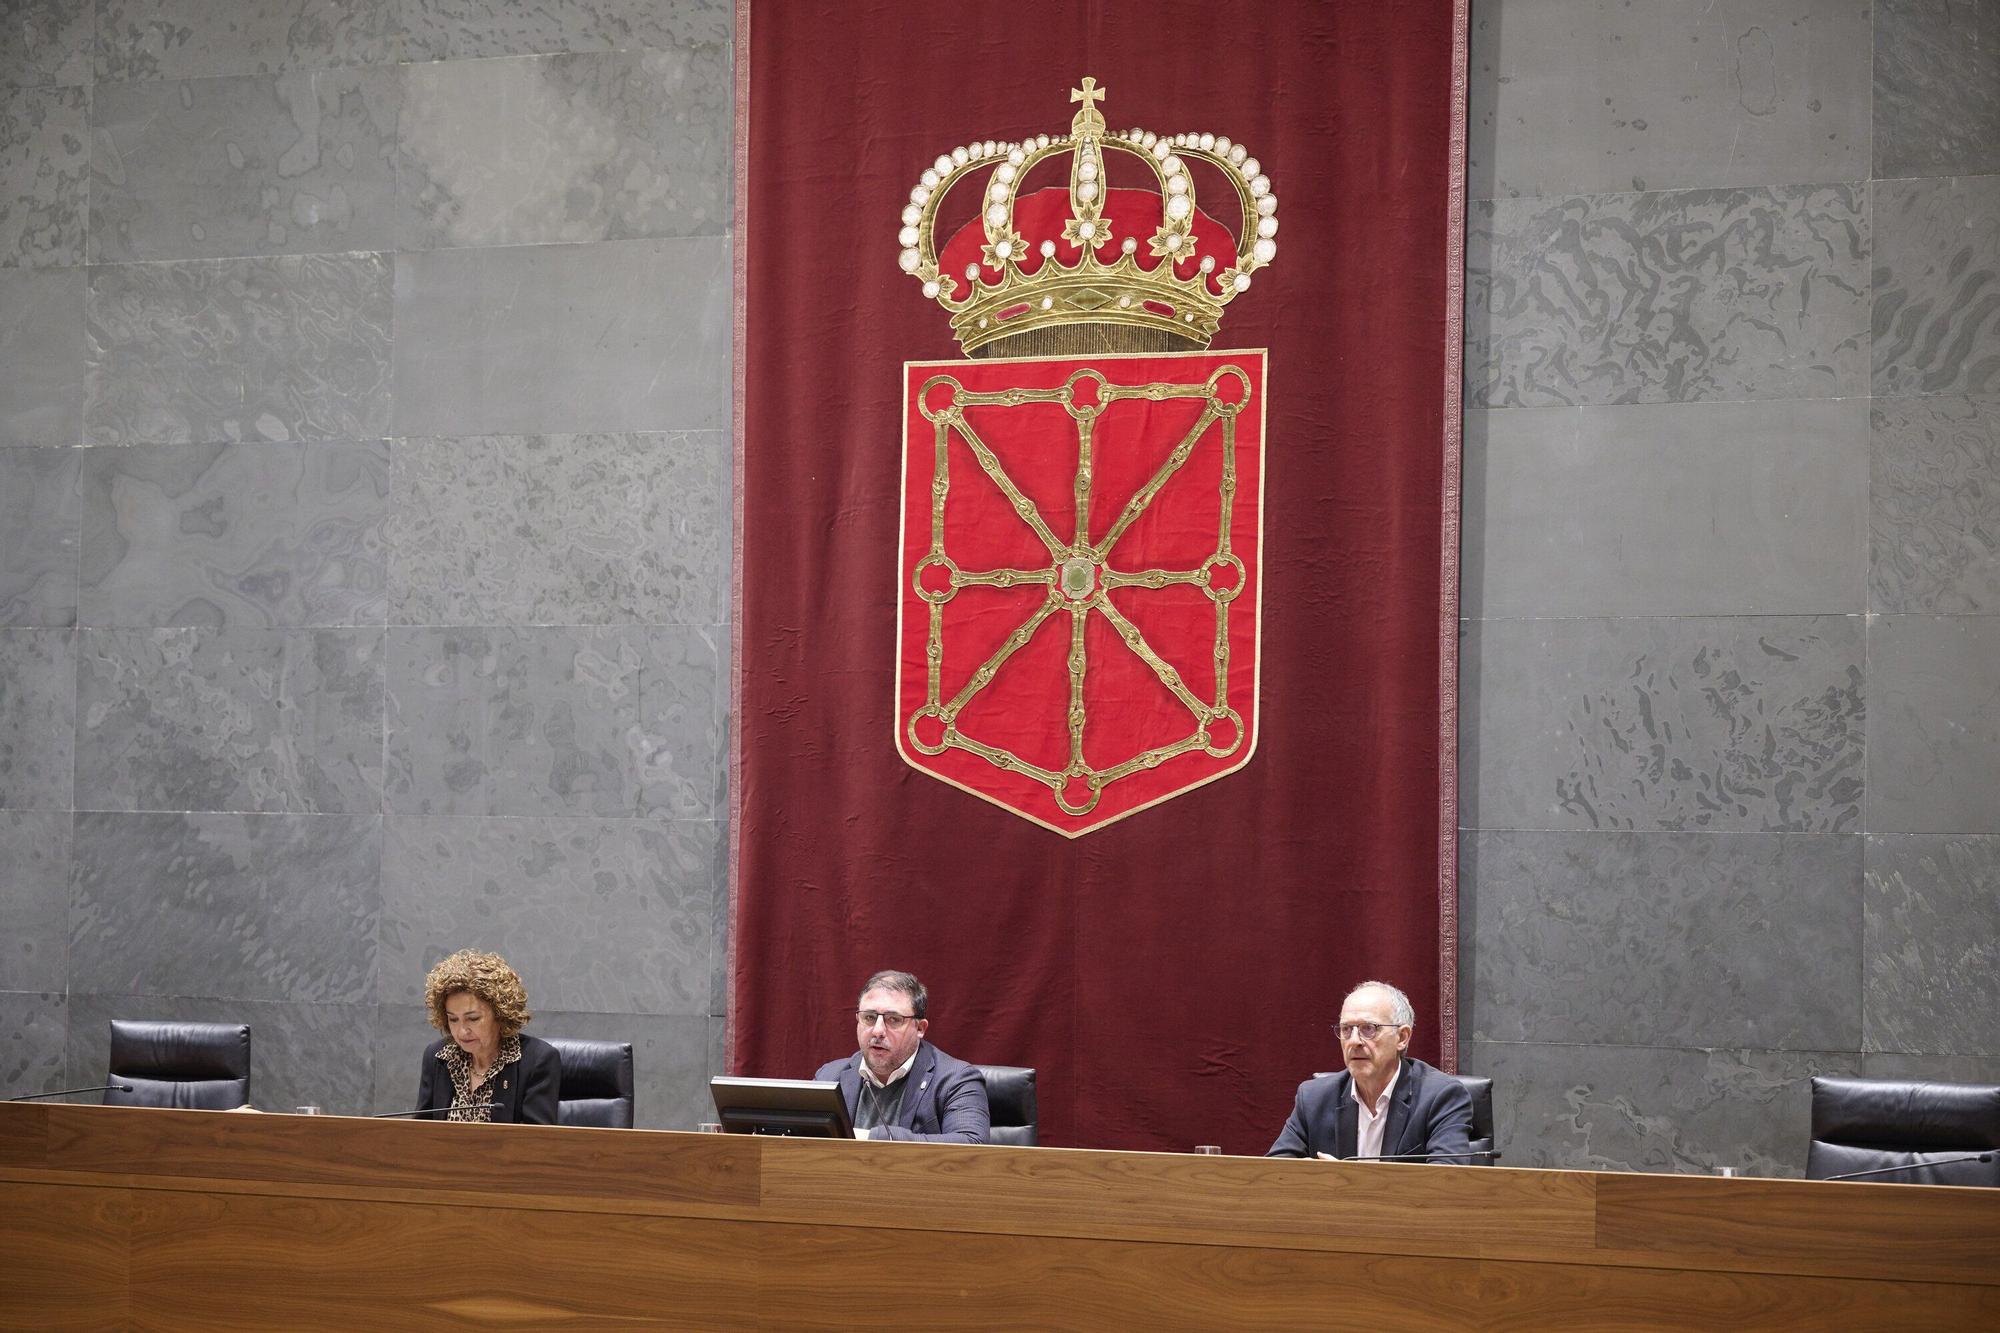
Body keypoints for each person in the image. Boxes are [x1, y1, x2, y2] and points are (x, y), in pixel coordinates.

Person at [1266, 980, 1473, 1162]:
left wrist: (1350, 1183)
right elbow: (1272, 1176)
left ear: (1402, 1038)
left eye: (1369, 1028)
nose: (1354, 1041)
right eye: (1346, 1029)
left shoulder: (1441, 1097)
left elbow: (1446, 1182)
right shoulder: (1314, 1098)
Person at [814, 970, 990, 1143]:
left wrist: (871, 1138)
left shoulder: (956, 1079)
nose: (878, 1031)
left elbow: (972, 1142)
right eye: (869, 1017)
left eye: (894, 1020)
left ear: (920, 1028)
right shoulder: (830, 1076)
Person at [414, 949, 561, 1125]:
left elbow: (536, 1143)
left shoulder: (537, 1060)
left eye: (473, 1018)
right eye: (453, 1019)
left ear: (500, 1014)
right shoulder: (438, 1057)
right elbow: (421, 1134)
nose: (461, 1031)